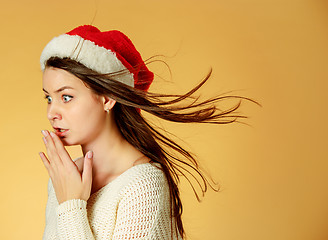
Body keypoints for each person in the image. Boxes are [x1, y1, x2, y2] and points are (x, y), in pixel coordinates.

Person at [38, 25, 255, 239]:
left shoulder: (142, 186)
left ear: (107, 98)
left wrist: (71, 207)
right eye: (49, 98)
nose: (52, 112)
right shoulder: (64, 178)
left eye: (66, 97)